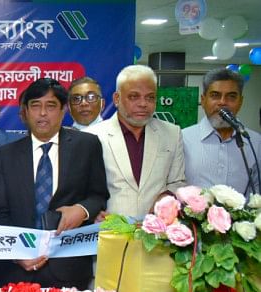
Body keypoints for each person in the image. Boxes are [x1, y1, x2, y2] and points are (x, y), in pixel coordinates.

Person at [0, 78, 108, 290]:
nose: (43, 113)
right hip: (17, 272)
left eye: (51, 106)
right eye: (35, 106)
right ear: (25, 112)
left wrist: (81, 211)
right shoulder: (5, 155)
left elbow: (98, 195)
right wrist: (16, 253)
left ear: (63, 110)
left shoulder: (87, 146)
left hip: (70, 269)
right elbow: (0, 212)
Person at [86, 65, 185, 220]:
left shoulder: (172, 133)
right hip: (107, 229)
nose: (143, 104)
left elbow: (178, 182)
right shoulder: (92, 136)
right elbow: (81, 188)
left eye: (150, 97)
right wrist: (92, 212)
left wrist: (166, 197)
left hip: (158, 229)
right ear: (117, 99)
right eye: (134, 97)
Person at [183, 67, 261, 195]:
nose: (223, 102)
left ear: (240, 102)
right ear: (203, 100)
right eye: (215, 95)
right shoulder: (183, 139)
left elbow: (256, 190)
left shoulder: (255, 142)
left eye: (231, 97)